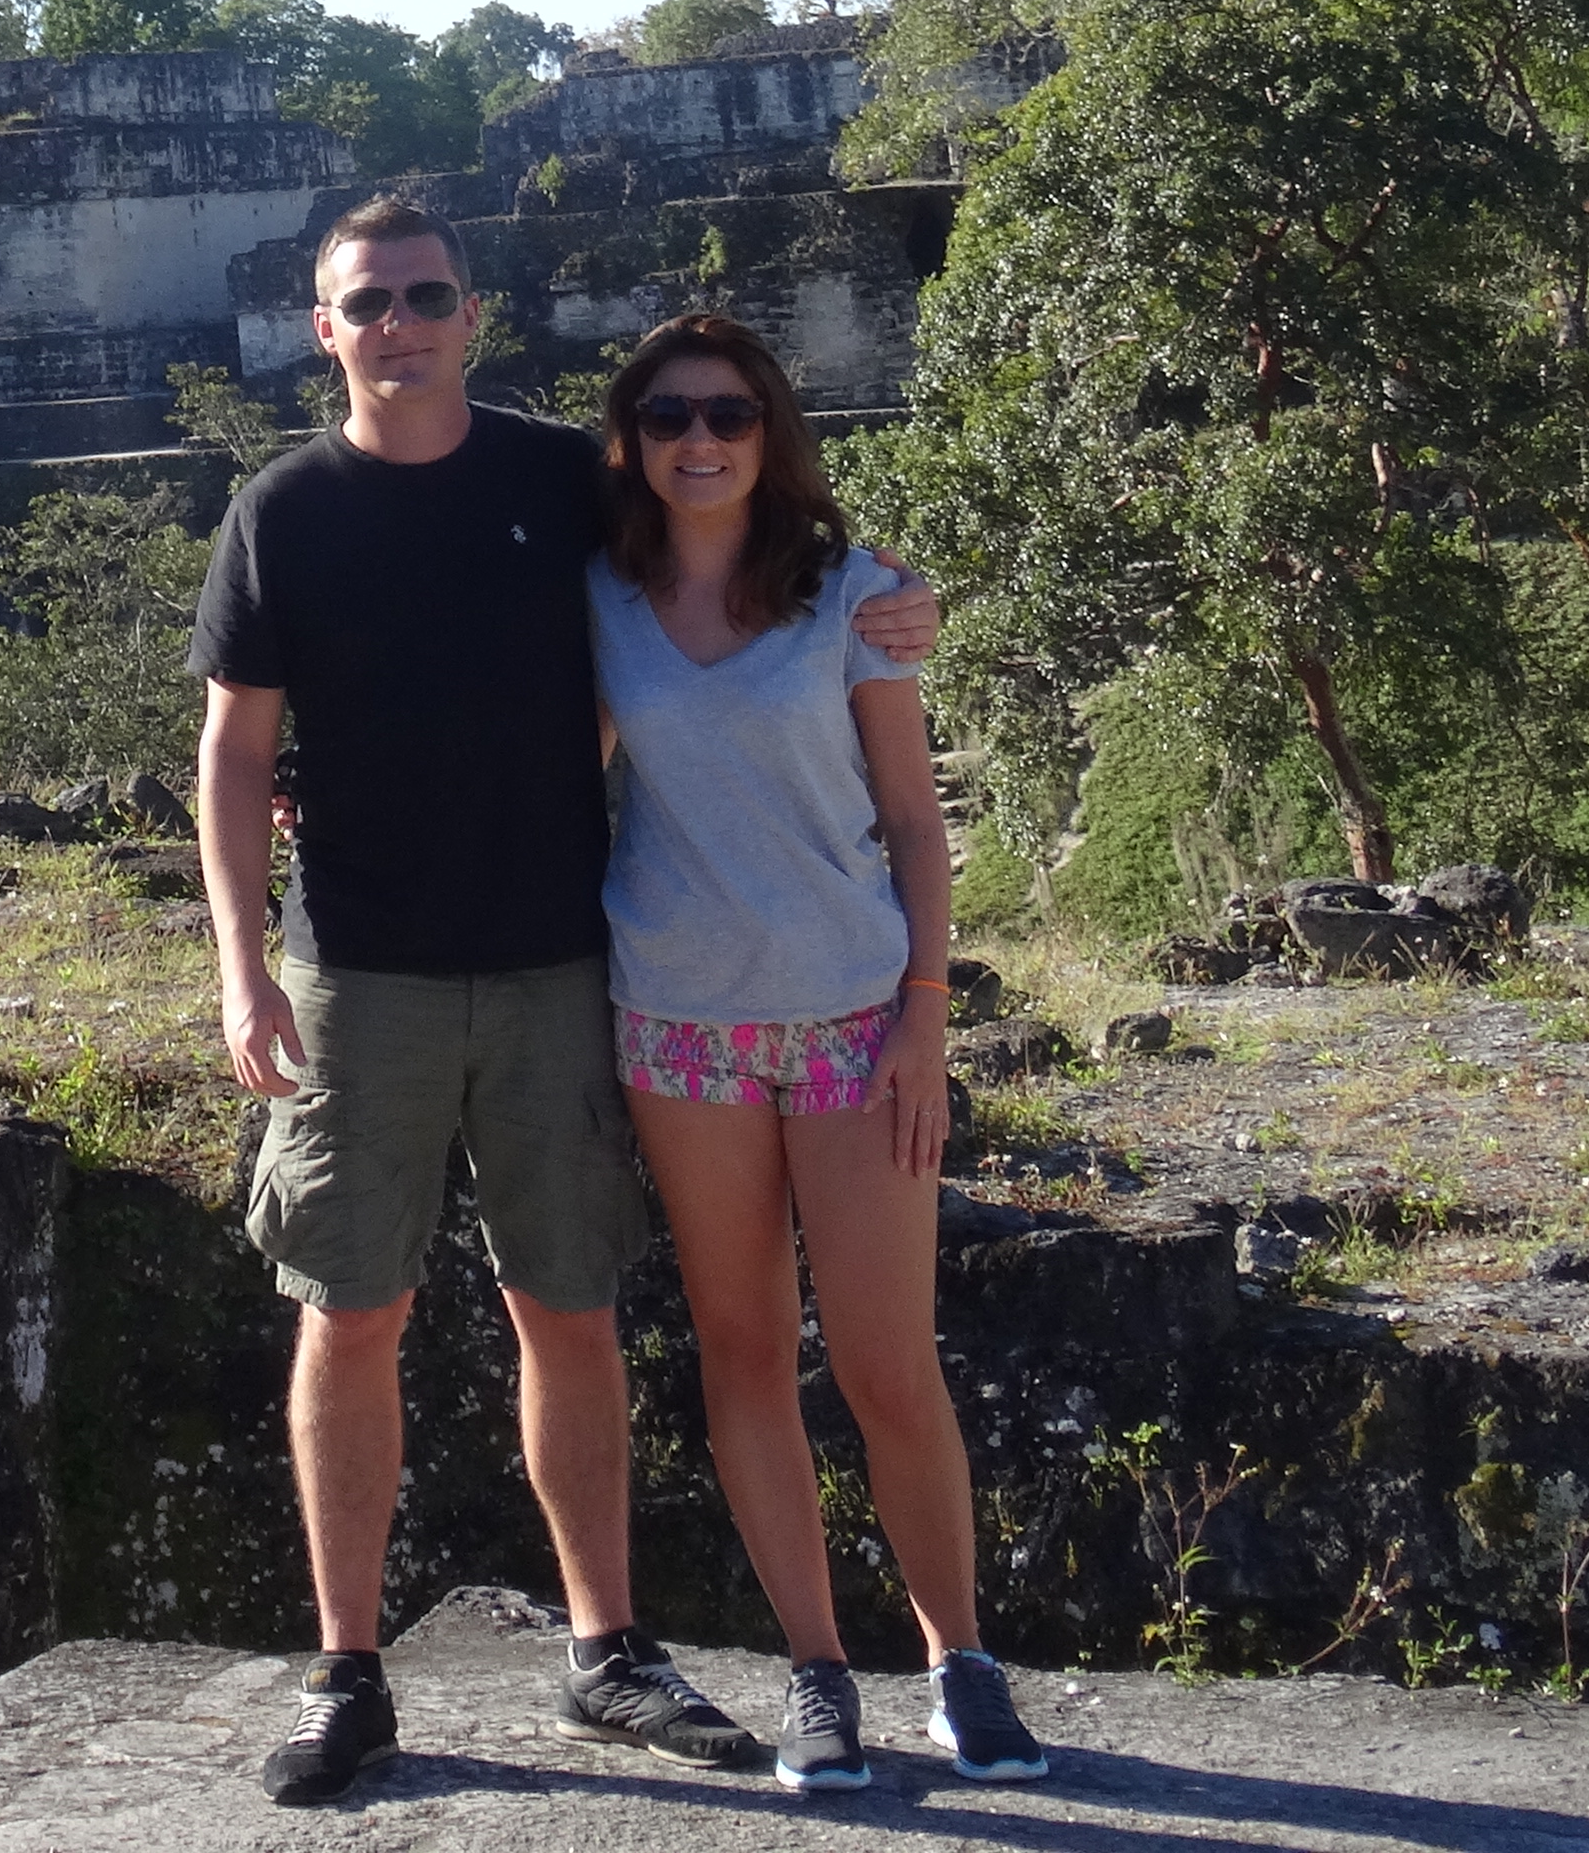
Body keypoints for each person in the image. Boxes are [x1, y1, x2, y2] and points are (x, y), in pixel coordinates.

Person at [192, 197, 937, 1807]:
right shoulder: (282, 512)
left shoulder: (559, 483)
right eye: (367, 300)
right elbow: (238, 751)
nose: (400, 321)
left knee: (569, 1306)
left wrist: (891, 602)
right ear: (324, 328)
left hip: (557, 960)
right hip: (361, 969)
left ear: (474, 315)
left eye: (427, 294)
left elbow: (732, 521)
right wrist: (244, 962)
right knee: (350, 1307)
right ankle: (348, 1667)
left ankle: (605, 1647)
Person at [591, 308, 1048, 1791]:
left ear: (772, 430)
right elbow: (530, 770)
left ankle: (959, 1658)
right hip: (682, 1029)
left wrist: (929, 1012)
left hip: (855, 1020)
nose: (700, 440)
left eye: (728, 413)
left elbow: (916, 821)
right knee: (743, 1354)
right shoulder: (600, 601)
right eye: (668, 418)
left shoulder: (853, 594)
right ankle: (815, 1668)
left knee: (884, 1358)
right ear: (634, 443)